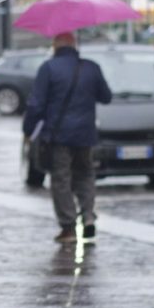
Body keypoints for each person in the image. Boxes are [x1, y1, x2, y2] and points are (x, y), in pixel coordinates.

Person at [22, 32, 112, 244]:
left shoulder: (49, 68)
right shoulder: (91, 67)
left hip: (58, 135)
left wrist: (28, 130)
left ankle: (68, 228)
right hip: (86, 135)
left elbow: (36, 105)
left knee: (61, 180)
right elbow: (106, 97)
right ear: (74, 44)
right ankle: (88, 215)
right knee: (85, 174)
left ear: (56, 44)